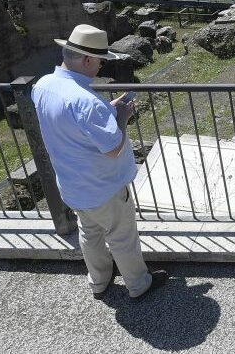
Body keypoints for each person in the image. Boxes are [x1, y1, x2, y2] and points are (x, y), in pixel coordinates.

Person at [32, 24, 167, 300]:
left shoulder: (43, 85)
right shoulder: (85, 101)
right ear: (87, 59)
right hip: (103, 187)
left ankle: (99, 281)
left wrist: (107, 109)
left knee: (89, 233)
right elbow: (113, 148)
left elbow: (71, 126)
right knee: (122, 237)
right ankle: (138, 284)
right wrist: (121, 119)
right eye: (101, 61)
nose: (101, 67)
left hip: (72, 185)